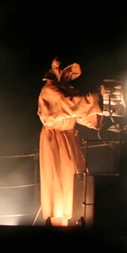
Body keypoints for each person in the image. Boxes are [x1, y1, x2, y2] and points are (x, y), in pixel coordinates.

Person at [37, 57, 104, 226]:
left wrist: (102, 107)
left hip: (67, 138)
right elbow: (70, 105)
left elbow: (79, 111)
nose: (68, 75)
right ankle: (60, 221)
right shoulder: (50, 91)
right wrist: (96, 100)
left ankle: (75, 216)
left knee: (75, 174)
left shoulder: (66, 89)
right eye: (65, 71)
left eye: (70, 72)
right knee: (60, 178)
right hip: (55, 139)